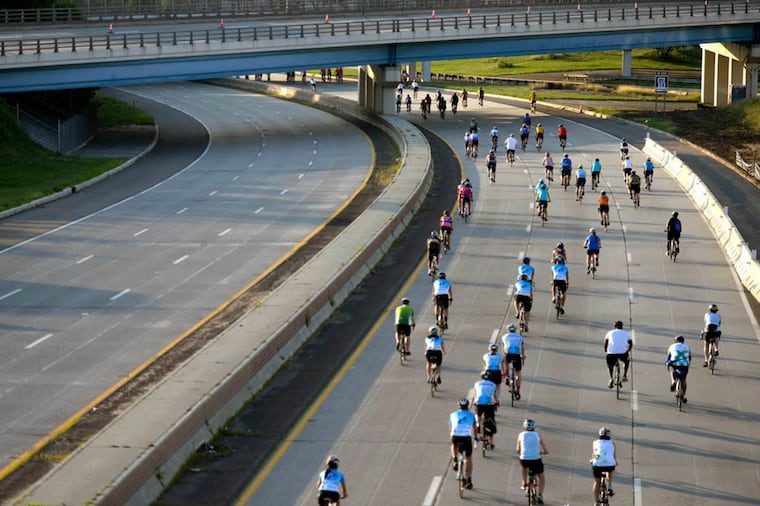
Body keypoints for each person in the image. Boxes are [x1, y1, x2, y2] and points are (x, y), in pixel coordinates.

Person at [516, 418, 549, 504]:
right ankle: (540, 495)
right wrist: (545, 452)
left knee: (523, 466)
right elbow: (544, 447)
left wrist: (520, 453)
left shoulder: (521, 435)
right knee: (541, 476)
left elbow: (517, 449)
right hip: (536, 459)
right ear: (534, 427)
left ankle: (524, 482)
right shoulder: (537, 435)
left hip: (524, 459)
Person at [449, 399, 478, 489]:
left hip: (456, 435)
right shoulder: (471, 415)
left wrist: (452, 435)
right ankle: (469, 480)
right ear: (468, 406)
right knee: (468, 458)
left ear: (459, 406)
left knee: (453, 445)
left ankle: (454, 459)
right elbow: (474, 429)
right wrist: (476, 437)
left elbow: (450, 428)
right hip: (466, 437)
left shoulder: (452, 414)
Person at [471, 371, 499, 450]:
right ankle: (491, 442)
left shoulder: (477, 384)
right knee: (491, 421)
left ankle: (477, 428)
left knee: (478, 419)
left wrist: (474, 401)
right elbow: (494, 396)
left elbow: (476, 394)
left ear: (481, 377)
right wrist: (497, 402)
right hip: (489, 405)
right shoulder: (493, 385)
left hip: (479, 404)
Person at [590, 427, 617, 502]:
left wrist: (592, 460)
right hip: (610, 464)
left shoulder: (595, 442)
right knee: (610, 470)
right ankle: (610, 486)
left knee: (597, 481)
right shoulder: (612, 443)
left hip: (597, 464)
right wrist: (615, 462)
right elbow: (613, 456)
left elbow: (594, 454)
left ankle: (596, 501)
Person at [603, 320, 632, 388]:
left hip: (611, 353)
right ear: (622, 326)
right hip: (623, 353)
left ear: (614, 326)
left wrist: (606, 350)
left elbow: (606, 342)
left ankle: (611, 379)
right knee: (626, 361)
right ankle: (624, 375)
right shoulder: (626, 333)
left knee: (610, 366)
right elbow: (630, 343)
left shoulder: (610, 333)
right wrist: (628, 350)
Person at [501, 323, 525, 399]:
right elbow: (522, 348)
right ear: (515, 330)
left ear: (508, 330)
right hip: (517, 356)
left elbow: (503, 349)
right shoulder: (520, 337)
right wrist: (523, 356)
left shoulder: (504, 337)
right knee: (518, 374)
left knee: (505, 359)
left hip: (508, 355)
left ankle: (507, 373)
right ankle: (518, 391)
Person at [666, 335, 691, 403]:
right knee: (683, 379)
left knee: (672, 370)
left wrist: (667, 362)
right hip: (684, 365)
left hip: (675, 364)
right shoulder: (687, 347)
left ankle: (673, 382)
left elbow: (668, 357)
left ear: (676, 341)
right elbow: (689, 357)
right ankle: (683, 395)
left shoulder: (672, 346)